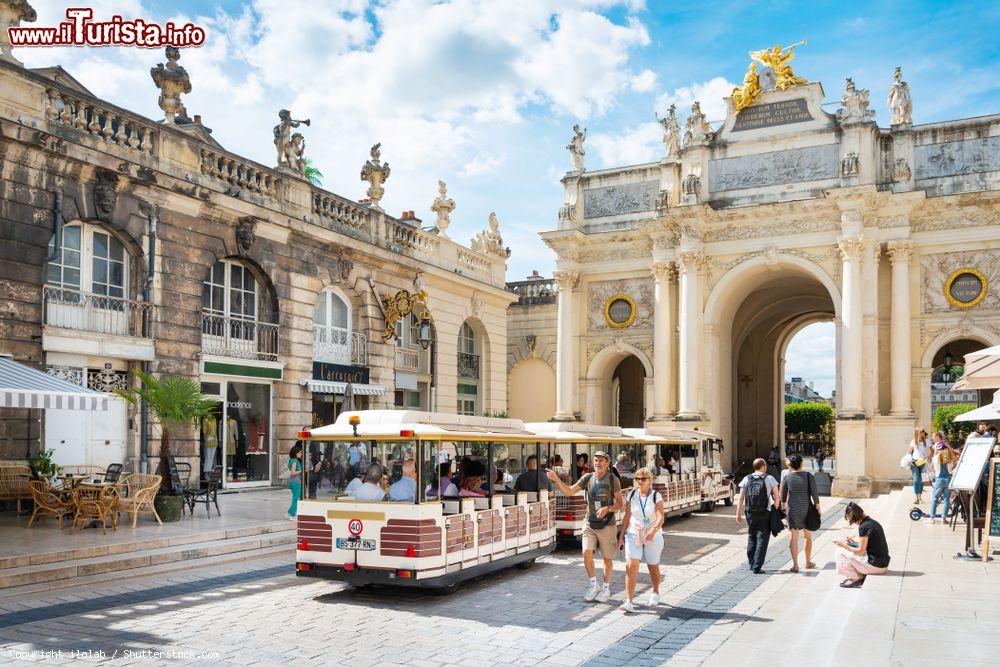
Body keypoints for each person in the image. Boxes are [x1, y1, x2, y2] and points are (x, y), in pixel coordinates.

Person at [547, 451, 623, 602]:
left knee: (607, 558)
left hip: (607, 524)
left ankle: (606, 589)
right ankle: (593, 585)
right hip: (589, 522)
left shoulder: (613, 480)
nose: (597, 463)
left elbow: (620, 504)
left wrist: (607, 509)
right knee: (586, 553)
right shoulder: (588, 478)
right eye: (595, 460)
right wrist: (556, 479)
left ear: (607, 463)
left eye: (601, 460)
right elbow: (569, 492)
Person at [616, 468, 665, 612]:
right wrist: (621, 537)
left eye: (643, 479)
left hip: (653, 534)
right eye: (637, 478)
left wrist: (653, 530)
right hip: (634, 533)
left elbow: (661, 517)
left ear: (650, 481)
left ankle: (655, 591)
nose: (640, 481)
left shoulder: (656, 496)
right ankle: (629, 601)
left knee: (652, 565)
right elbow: (627, 516)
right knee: (631, 565)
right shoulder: (631, 495)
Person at [735, 458, 779, 574]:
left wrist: (738, 513)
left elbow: (740, 498)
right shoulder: (769, 478)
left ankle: (751, 563)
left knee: (751, 536)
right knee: (762, 539)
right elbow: (777, 496)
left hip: (750, 512)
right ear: (763, 466)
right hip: (765, 512)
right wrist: (776, 509)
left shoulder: (746, 478)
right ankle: (757, 566)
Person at [834, 502, 890, 588]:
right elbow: (869, 545)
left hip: (876, 566)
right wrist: (854, 543)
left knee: (839, 552)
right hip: (882, 564)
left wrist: (843, 545)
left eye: (852, 521)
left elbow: (861, 551)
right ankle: (859, 575)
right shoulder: (872, 522)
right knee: (847, 551)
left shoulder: (864, 526)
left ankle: (856, 578)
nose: (854, 523)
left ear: (855, 518)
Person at [779, 454, 820, 573]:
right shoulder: (808, 476)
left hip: (792, 510)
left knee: (793, 537)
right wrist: (818, 508)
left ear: (790, 465)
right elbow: (814, 494)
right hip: (806, 509)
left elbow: (783, 496)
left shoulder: (787, 478)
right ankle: (807, 562)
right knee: (807, 536)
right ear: (802, 464)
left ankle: (795, 565)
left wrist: (783, 509)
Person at [929, 438, 955, 523]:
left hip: (939, 479)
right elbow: (952, 468)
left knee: (935, 498)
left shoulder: (935, 458)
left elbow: (933, 469)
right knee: (947, 499)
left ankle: (932, 517)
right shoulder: (949, 458)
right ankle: (944, 518)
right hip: (948, 479)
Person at [906, 429, 931, 504]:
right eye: (921, 432)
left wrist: (927, 456)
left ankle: (920, 497)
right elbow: (909, 452)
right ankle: (916, 497)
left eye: (923, 432)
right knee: (916, 479)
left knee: (922, 479)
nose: (923, 433)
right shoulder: (913, 441)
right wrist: (910, 460)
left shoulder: (927, 441)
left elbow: (932, 450)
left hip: (922, 462)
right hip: (914, 462)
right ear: (918, 433)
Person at [286, 444, 303, 521]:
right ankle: (292, 515)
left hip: (293, 481)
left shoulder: (291, 460)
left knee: (295, 497)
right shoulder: (295, 461)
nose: (301, 454)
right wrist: (301, 471)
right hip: (296, 481)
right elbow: (293, 472)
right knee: (296, 499)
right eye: (299, 453)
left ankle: (289, 512)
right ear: (295, 453)